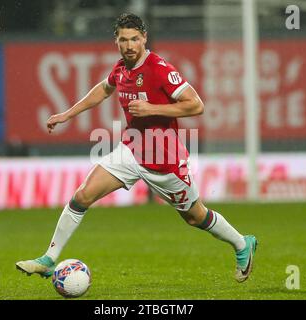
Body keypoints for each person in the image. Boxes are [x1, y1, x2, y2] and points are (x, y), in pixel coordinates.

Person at [16, 13, 257, 283]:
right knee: (82, 196)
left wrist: (153, 108)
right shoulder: (121, 68)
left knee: (194, 216)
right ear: (116, 41)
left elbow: (196, 105)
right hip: (131, 150)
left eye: (134, 39)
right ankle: (49, 259)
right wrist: (67, 114)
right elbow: (104, 88)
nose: (129, 45)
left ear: (144, 39)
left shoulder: (160, 68)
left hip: (164, 161)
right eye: (123, 40)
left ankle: (241, 243)